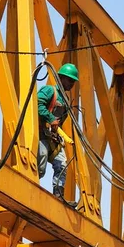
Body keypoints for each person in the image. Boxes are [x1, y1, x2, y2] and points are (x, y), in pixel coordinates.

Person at [37, 63, 78, 207]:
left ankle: (58, 195)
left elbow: (60, 121)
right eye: (69, 80)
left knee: (62, 165)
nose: (72, 84)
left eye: (73, 81)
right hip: (41, 133)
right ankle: (33, 188)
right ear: (61, 78)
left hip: (52, 137)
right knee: (40, 162)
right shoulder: (50, 91)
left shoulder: (66, 101)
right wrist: (50, 118)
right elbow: (37, 103)